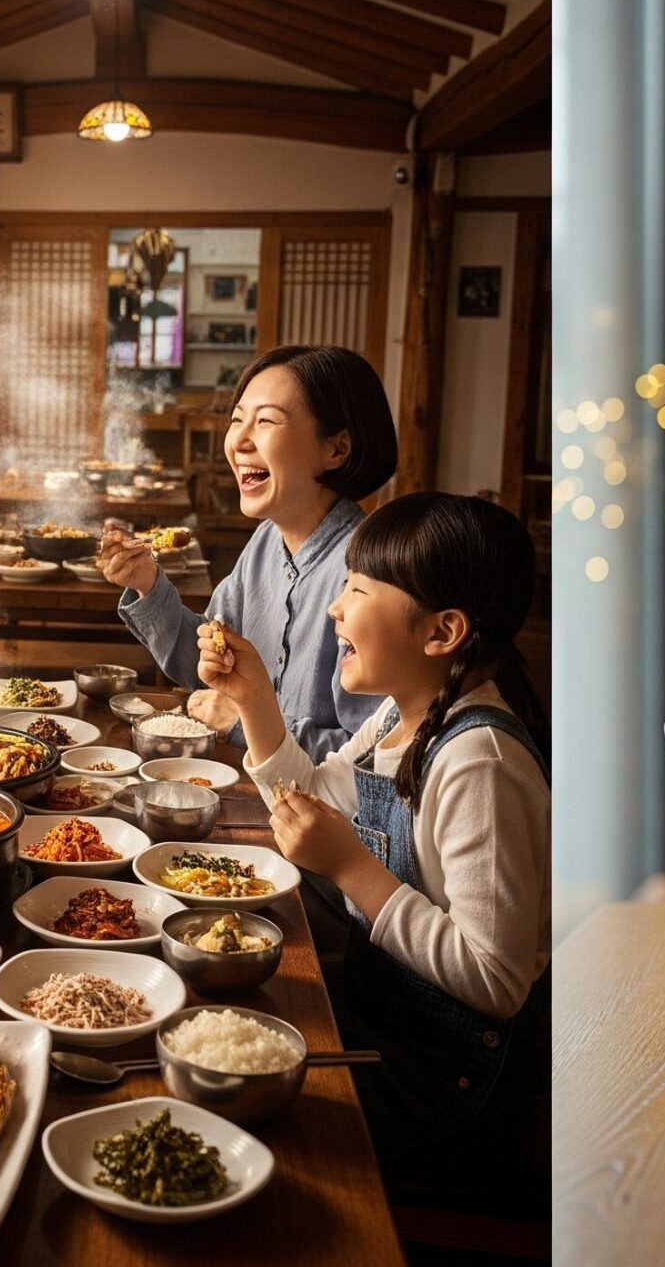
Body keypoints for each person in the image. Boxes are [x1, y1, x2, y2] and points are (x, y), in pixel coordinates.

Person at [198, 492, 548, 1205]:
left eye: (358, 589)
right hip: (393, 1023)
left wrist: (354, 869)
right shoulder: (406, 711)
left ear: (442, 631)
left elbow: (498, 980)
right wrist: (254, 699)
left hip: (453, 1087)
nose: (336, 607)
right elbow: (313, 806)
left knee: (229, 1111)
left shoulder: (479, 759)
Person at [100, 346, 395, 757]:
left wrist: (247, 721)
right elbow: (206, 667)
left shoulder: (369, 573)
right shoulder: (266, 542)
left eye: (266, 421)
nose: (238, 440)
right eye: (237, 419)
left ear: (336, 450)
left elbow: (374, 756)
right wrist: (147, 584)